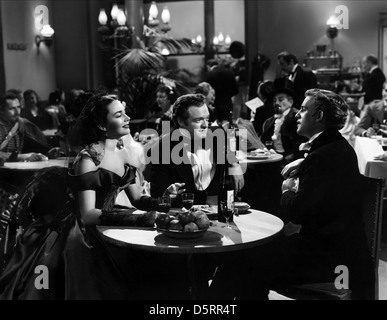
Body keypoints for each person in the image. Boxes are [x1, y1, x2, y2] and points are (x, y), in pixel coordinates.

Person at [0, 92, 185, 300]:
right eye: (118, 115)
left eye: (125, 113)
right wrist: (140, 218)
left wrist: (167, 199)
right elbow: (88, 214)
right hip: (81, 232)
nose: (127, 119)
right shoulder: (88, 159)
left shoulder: (124, 153)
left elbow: (137, 200)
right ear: (103, 126)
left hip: (110, 220)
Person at [213, 89, 375, 300]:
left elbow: (297, 212)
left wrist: (287, 189)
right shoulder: (336, 146)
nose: (298, 114)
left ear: (319, 116)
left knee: (241, 259)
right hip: (342, 252)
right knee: (246, 257)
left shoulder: (322, 156)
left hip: (330, 262)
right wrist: (306, 163)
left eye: (305, 109)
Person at [150, 93, 245, 205]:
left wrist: (235, 165)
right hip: (183, 215)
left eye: (207, 119)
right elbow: (158, 196)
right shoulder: (163, 147)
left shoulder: (216, 134)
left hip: (220, 214)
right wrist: (205, 200)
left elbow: (228, 150)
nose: (205, 125)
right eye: (198, 120)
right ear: (180, 121)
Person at [0, 92, 61, 162]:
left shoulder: (22, 123)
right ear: (1, 110)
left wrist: (47, 153)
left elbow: (33, 144)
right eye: (11, 109)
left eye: (18, 107)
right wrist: (20, 156)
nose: (17, 112)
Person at [261, 84, 307, 163]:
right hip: (274, 156)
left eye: (280, 100)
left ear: (290, 102)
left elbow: (300, 144)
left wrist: (287, 159)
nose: (276, 103)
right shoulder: (269, 121)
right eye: (274, 100)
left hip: (291, 158)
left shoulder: (296, 118)